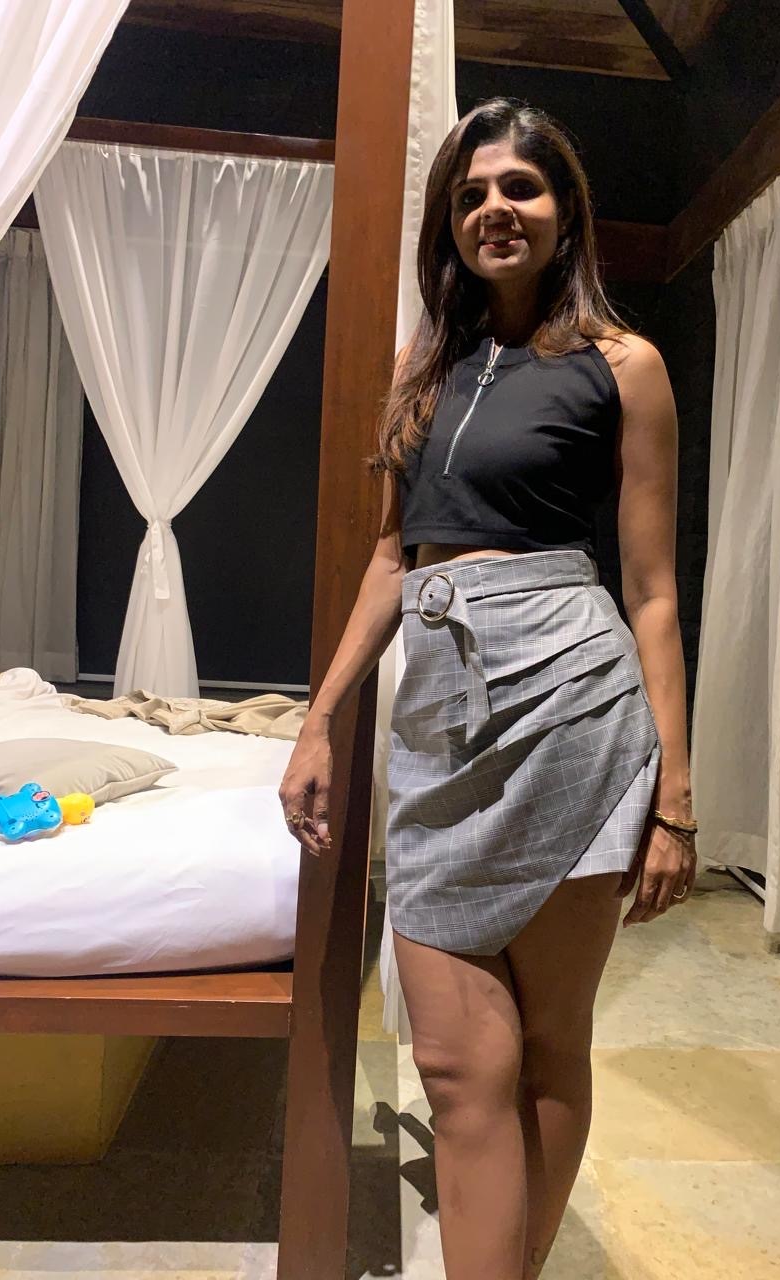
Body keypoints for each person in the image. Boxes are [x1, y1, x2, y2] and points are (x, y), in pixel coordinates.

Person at [280, 96, 698, 1280]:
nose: (494, 209)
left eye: (520, 186)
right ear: (448, 222)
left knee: (550, 1046)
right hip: (439, 725)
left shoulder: (626, 365)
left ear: (566, 209)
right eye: (470, 194)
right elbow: (389, 560)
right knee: (459, 1065)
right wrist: (320, 719)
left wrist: (675, 796)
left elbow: (653, 590)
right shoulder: (423, 369)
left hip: (575, 708)